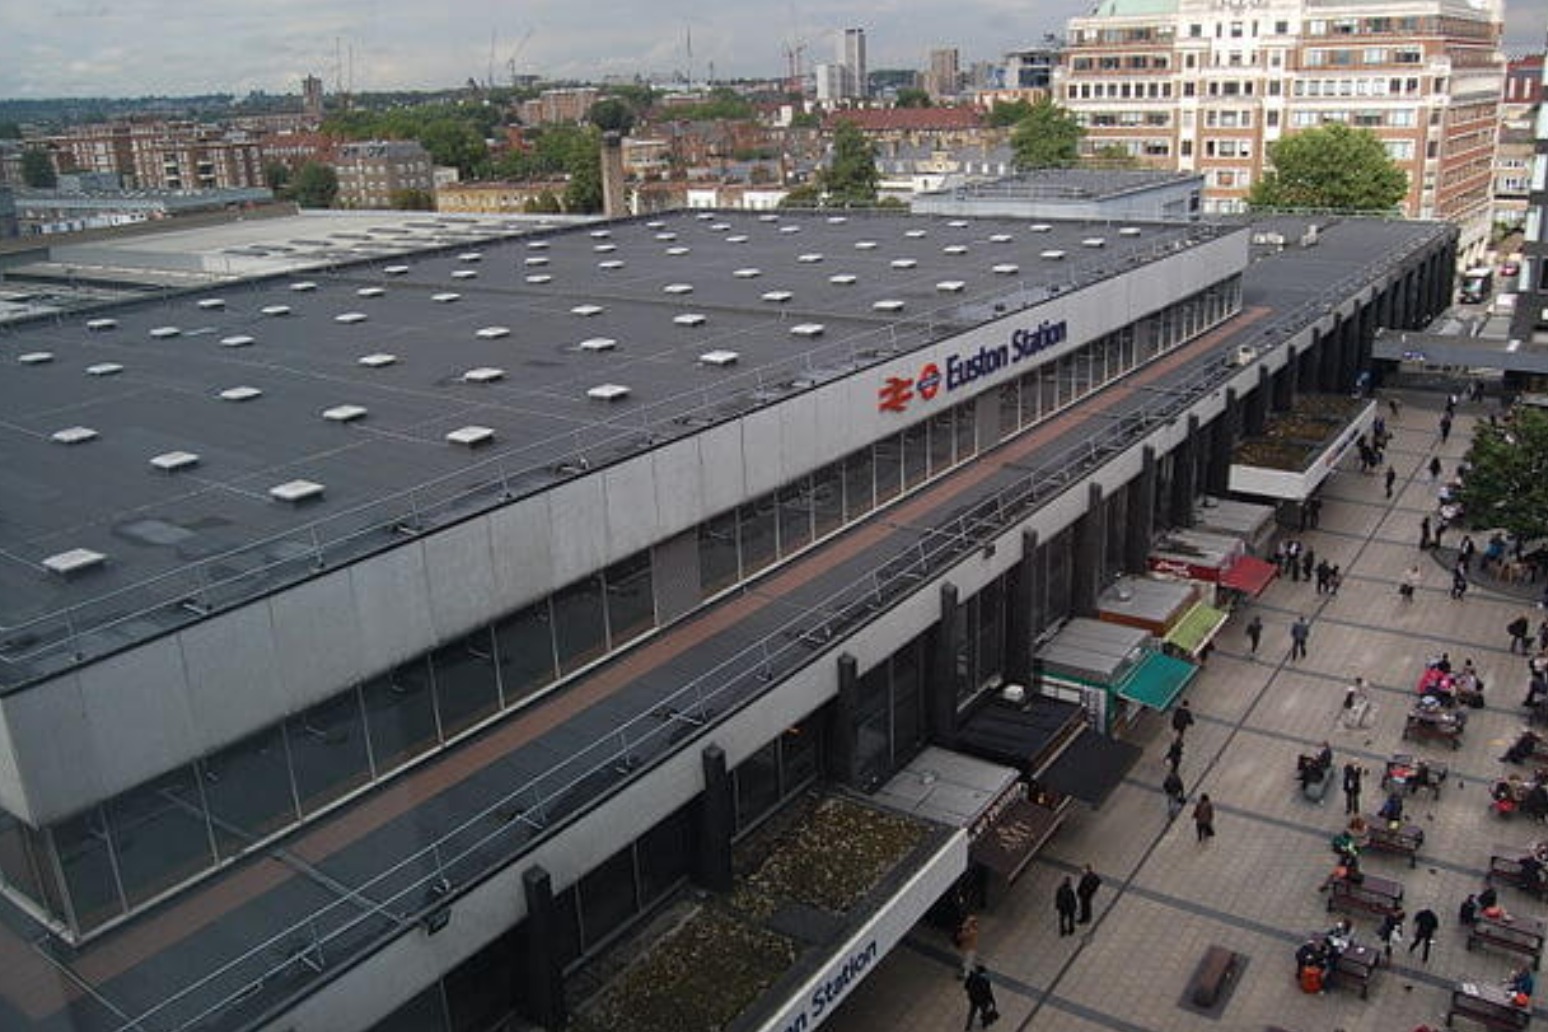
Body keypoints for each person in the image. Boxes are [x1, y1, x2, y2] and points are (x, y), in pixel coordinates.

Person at [963, 964, 998, 1030]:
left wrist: (971, 993)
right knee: (984, 1011)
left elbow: (966, 986)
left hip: (973, 999)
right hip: (983, 1000)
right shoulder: (985, 980)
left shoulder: (971, 976)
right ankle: (984, 1024)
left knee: (972, 1012)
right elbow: (988, 992)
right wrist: (992, 1000)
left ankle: (968, 1026)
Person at [955, 913, 979, 978]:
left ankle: (966, 974)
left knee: (968, 960)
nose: (966, 922)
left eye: (968, 922)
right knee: (968, 959)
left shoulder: (971, 931)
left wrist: (962, 930)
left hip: (969, 949)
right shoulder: (970, 929)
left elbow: (962, 936)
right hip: (968, 948)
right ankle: (971, 968)